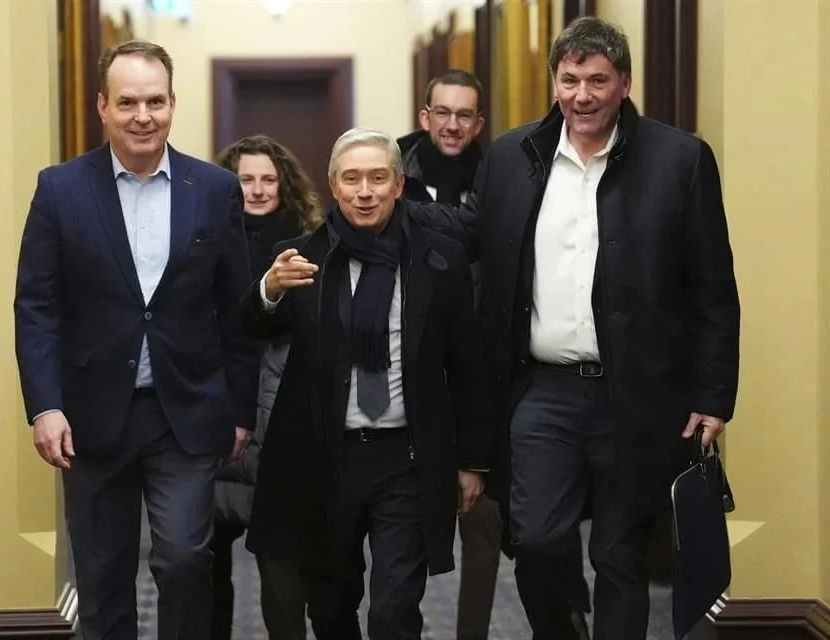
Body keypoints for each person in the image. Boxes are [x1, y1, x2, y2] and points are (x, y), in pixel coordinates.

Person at [412, 17, 740, 640]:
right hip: (542, 391)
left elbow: (713, 288)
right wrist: (389, 198)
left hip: (638, 394)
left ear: (625, 84)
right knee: (535, 539)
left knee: (620, 555)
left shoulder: (680, 161)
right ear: (554, 82)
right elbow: (470, 235)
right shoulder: (514, 156)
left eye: (597, 81)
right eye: (569, 80)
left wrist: (714, 393)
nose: (582, 95)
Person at [14, 40, 258, 640]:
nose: (142, 116)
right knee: (102, 578)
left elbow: (236, 310)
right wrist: (45, 406)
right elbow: (37, 307)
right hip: (90, 417)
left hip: (186, 412)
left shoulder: (215, 189)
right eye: (127, 102)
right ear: (102, 106)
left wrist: (240, 411)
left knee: (184, 560)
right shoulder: (60, 189)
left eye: (155, 101)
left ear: (173, 103)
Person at [241, 128, 494, 640]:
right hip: (324, 458)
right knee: (330, 607)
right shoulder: (301, 259)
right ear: (333, 185)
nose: (364, 192)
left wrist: (472, 461)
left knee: (394, 610)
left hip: (406, 458)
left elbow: (468, 365)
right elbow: (252, 326)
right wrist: (268, 288)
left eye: (378, 178)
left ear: (398, 185)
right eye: (351, 179)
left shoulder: (439, 260)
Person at [401, 70, 591, 639]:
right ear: (424, 117)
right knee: (405, 525)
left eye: (465, 115)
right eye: (442, 113)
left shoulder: (509, 169)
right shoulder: (390, 172)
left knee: (493, 519)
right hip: (416, 368)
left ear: (479, 122)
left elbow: (480, 235)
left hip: (490, 369)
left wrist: (403, 210)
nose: (452, 125)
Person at [209, 134, 326, 640]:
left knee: (284, 571)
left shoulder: (311, 246)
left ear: (285, 186)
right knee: (203, 564)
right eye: (245, 180)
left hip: (285, 426)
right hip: (219, 417)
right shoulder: (204, 242)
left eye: (268, 180)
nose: (256, 190)